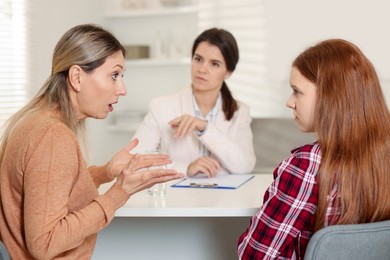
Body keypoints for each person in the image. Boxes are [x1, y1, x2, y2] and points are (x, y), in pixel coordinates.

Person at [0, 24, 184, 259]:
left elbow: (48, 189)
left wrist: (104, 172)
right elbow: (44, 243)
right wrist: (118, 193)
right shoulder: (53, 136)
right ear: (77, 77)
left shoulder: (37, 120)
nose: (122, 89)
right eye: (114, 75)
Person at [237, 39, 390, 259]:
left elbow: (254, 255)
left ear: (330, 96)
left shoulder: (307, 165)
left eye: (297, 91)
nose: (290, 102)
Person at [131, 28, 256, 178]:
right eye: (198, 59)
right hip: (177, 199)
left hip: (223, 199)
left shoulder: (240, 111)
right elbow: (135, 160)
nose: (202, 69)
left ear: (228, 72)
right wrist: (185, 168)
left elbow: (244, 165)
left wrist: (205, 128)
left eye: (214, 64)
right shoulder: (161, 107)